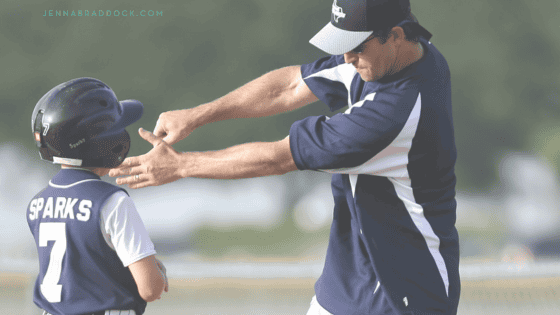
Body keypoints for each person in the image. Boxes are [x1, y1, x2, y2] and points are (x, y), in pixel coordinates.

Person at [110, 0, 460, 313]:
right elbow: (290, 86)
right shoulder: (404, 55)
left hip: (404, 294)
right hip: (346, 285)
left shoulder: (394, 115)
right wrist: (200, 113)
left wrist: (182, 165)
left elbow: (277, 158)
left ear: (396, 35)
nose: (349, 59)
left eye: (356, 48)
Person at [28, 78, 168, 315]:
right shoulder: (111, 202)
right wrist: (157, 272)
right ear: (105, 142)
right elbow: (150, 289)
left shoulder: (37, 203)